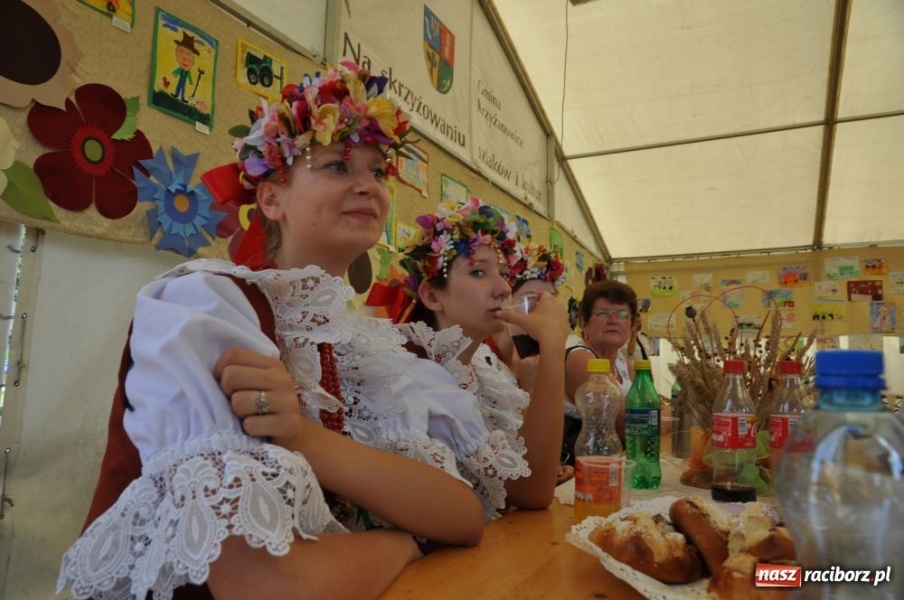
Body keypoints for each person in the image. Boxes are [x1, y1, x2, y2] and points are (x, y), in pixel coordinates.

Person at [57, 62, 492, 600]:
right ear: (271, 199)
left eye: (378, 171)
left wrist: (304, 437)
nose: (367, 185)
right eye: (337, 165)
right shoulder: (206, 305)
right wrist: (402, 542)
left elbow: (463, 516)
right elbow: (265, 584)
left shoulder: (366, 346)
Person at [395, 199, 570, 509]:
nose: (503, 288)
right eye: (478, 273)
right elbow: (531, 493)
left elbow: (523, 465)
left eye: (503, 273)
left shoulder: (484, 367)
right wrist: (554, 347)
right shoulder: (420, 375)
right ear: (433, 296)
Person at [562, 280, 639, 465]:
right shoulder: (579, 358)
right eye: (603, 313)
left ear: (631, 324)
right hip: (582, 467)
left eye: (622, 314)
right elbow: (623, 426)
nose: (613, 320)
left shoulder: (624, 364)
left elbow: (653, 412)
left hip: (616, 461)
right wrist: (650, 418)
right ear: (584, 323)